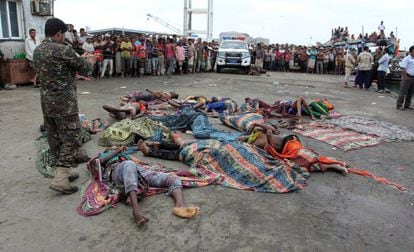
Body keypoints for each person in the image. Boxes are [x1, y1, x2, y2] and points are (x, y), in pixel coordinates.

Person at [33, 18, 94, 194]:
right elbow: (86, 70)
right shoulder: (63, 50)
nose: (64, 37)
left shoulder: (38, 51)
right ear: (59, 33)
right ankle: (61, 178)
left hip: (47, 103)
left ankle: (61, 172)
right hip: (64, 103)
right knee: (72, 136)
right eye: (63, 34)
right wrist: (89, 59)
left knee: (54, 137)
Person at [98, 146, 200, 226]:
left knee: (172, 178)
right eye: (112, 147)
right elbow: (100, 163)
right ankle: (136, 211)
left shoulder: (125, 156)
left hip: (136, 170)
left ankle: (179, 206)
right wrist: (117, 151)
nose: (114, 147)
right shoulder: (103, 155)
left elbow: (138, 163)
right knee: (128, 164)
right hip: (116, 171)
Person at [240, 126, 348, 174]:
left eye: (241, 137)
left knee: (303, 156)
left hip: (289, 141)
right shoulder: (253, 144)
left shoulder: (256, 130)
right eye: (240, 139)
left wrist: (257, 125)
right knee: (299, 164)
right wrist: (268, 140)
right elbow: (268, 152)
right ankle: (332, 165)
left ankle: (334, 164)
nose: (241, 138)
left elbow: (273, 129)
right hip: (286, 151)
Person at [396, 45, 414, 110]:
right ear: (411, 51)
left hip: (413, 78)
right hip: (407, 77)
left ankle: (407, 105)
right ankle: (399, 105)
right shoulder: (407, 59)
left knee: (410, 93)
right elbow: (404, 68)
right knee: (403, 92)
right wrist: (405, 77)